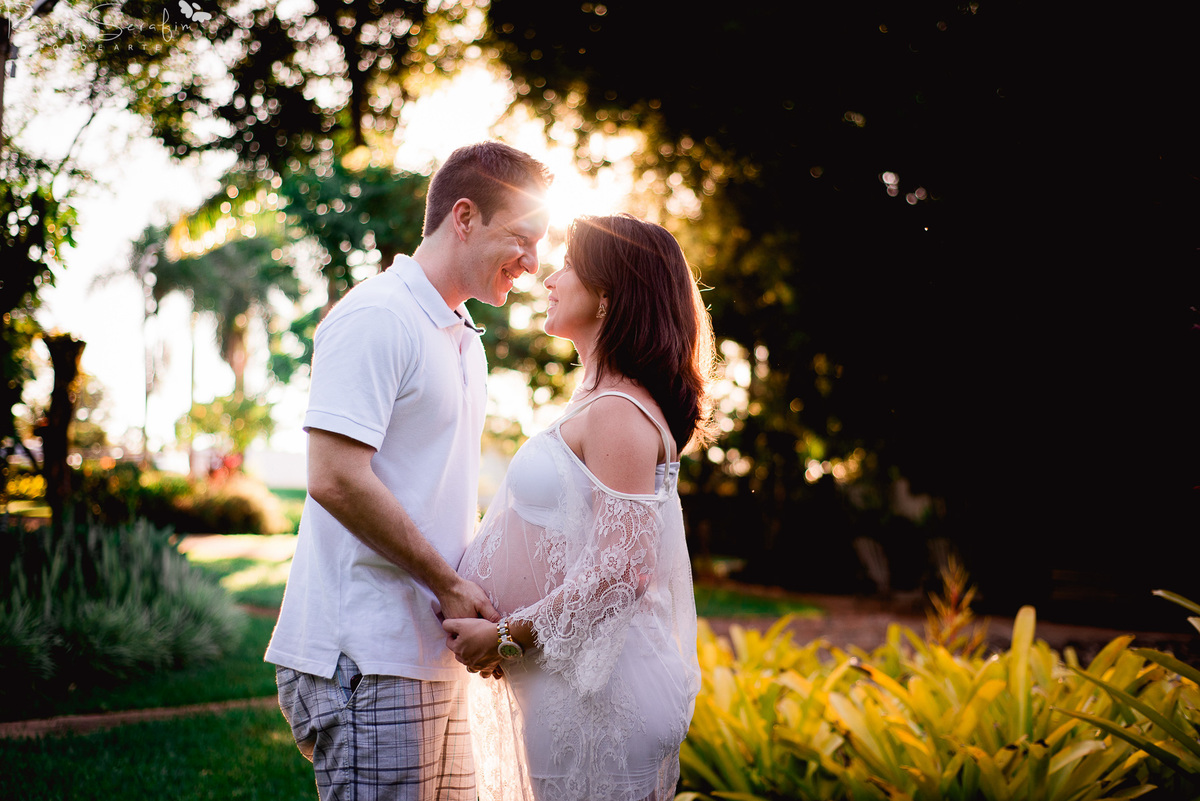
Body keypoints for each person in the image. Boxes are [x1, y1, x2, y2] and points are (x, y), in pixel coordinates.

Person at [265, 141, 552, 800]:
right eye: (521, 238)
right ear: (464, 217)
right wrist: (448, 584)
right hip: (368, 654)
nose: (534, 264)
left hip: (433, 653)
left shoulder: (462, 337)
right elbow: (334, 475)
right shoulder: (377, 315)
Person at [443, 214, 717, 801]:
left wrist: (507, 637)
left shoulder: (619, 410)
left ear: (607, 296)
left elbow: (622, 569)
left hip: (601, 698)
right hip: (577, 691)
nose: (548, 278)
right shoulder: (601, 399)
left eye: (568, 266)